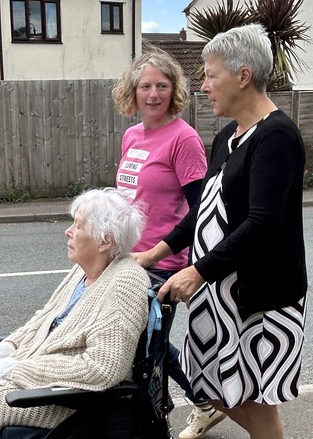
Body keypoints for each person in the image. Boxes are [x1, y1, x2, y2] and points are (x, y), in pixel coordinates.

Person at [134, 24, 308, 439]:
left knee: (256, 404)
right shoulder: (229, 136)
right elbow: (204, 211)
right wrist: (152, 256)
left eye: (211, 75)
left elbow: (262, 223)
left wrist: (197, 272)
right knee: (215, 388)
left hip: (262, 297)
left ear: (242, 76)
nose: (203, 85)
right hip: (222, 291)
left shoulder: (277, 136)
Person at [0, 188, 150, 439]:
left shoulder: (125, 282)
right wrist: (9, 344)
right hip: (41, 372)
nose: (68, 231)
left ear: (105, 241)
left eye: (78, 225)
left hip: (70, 399)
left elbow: (103, 369)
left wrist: (18, 369)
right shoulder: (82, 272)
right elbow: (45, 317)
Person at [112, 49, 225, 439]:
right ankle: (198, 404)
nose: (154, 94)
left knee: (146, 349)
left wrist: (185, 266)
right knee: (142, 344)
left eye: (162, 85)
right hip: (128, 258)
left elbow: (201, 212)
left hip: (164, 262)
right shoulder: (132, 136)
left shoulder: (184, 139)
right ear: (134, 91)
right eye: (146, 86)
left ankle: (163, 416)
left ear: (174, 91)